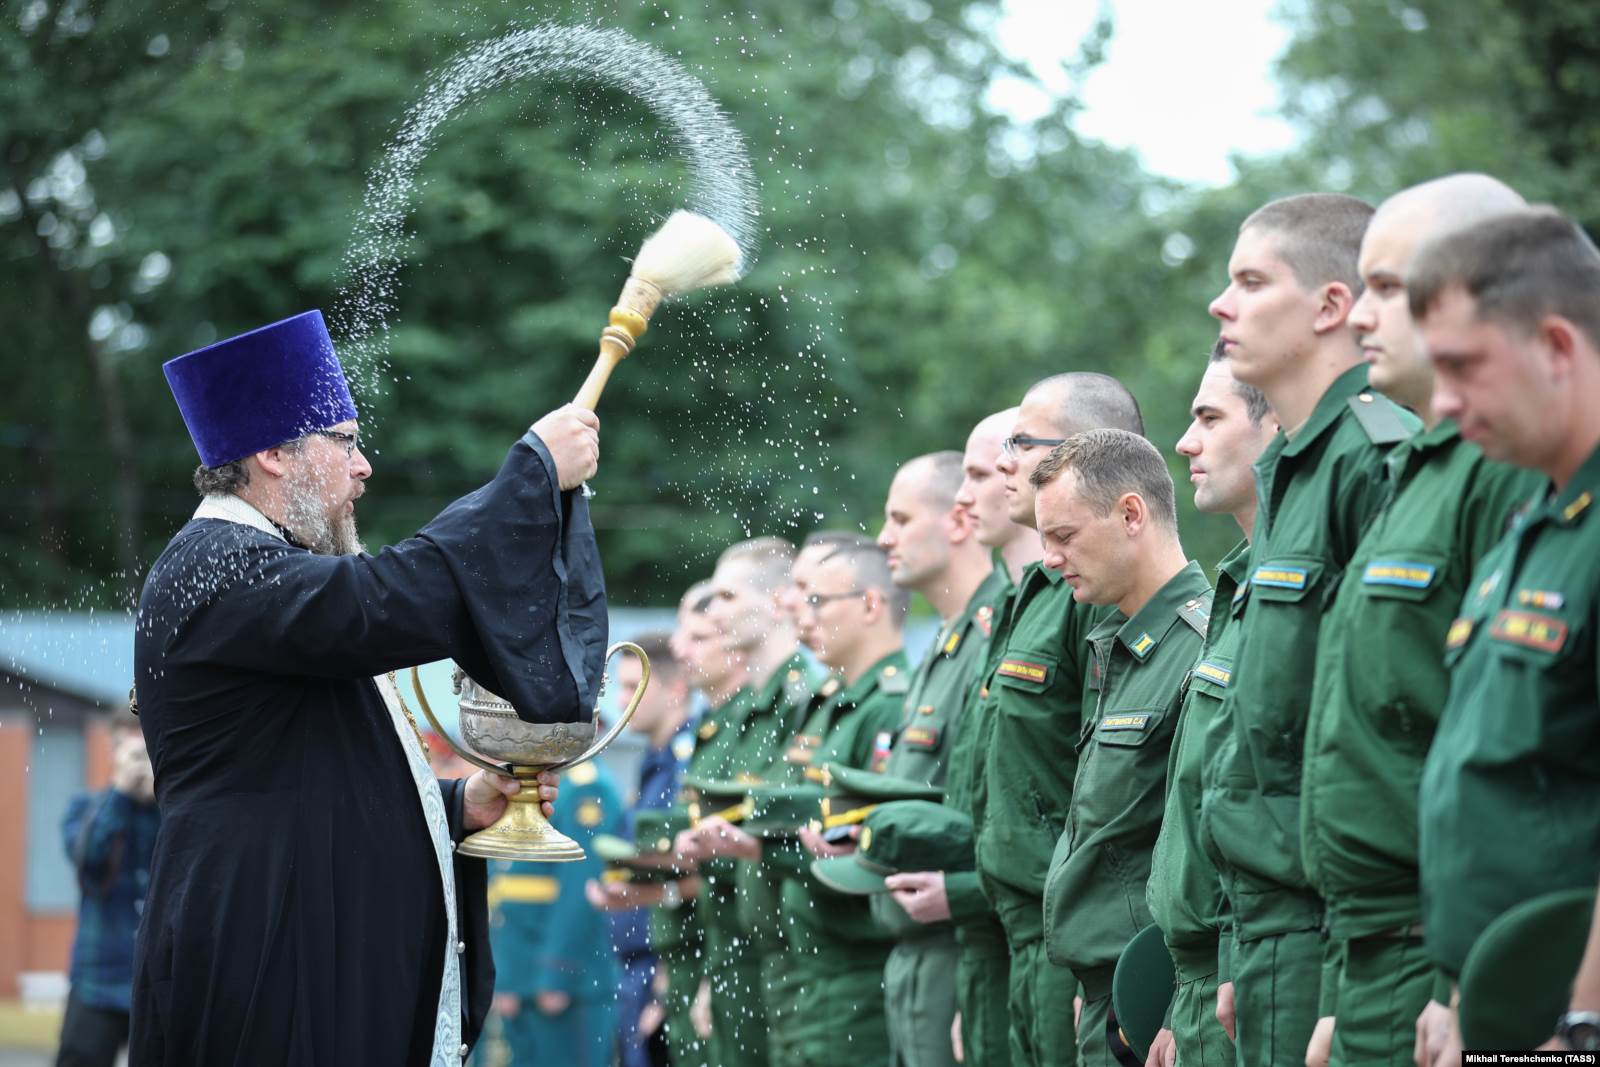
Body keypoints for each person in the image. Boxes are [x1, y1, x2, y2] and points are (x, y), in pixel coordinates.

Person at [130, 310, 589, 1065]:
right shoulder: (218, 564)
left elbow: (305, 771)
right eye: (344, 440)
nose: (365, 464)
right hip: (265, 958)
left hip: (299, 941)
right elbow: (382, 601)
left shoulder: (261, 569)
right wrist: (531, 475)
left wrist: (454, 808)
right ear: (273, 452)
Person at [1296, 174, 1538, 1067]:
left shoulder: (1506, 467)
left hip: (1444, 944)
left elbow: (1523, 752)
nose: (1362, 317)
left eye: (1389, 290)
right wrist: (1336, 984)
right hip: (1373, 946)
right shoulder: (1416, 473)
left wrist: (1469, 979)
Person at [1201, 195, 1419, 1064]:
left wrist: (1337, 979)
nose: (1222, 304)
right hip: (1266, 935)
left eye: (1251, 282)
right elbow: (1255, 747)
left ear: (1332, 306)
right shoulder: (1291, 469)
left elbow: (1382, 736)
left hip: (1341, 938)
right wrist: (1233, 944)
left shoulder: (1376, 456)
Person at [1409, 208, 1600, 1064]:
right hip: (1502, 1008)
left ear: (1557, 346)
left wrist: (1585, 1025)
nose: (1443, 402)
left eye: (1462, 367)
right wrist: (1455, 995)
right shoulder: (1535, 522)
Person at [680, 537, 910, 1067]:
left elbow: (867, 840)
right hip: (785, 956)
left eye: (813, 597)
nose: (797, 610)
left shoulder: (873, 704)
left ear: (869, 604)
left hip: (841, 962)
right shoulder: (830, 705)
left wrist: (759, 848)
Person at [971, 373, 1144, 1067]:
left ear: (1081, 454)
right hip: (1023, 928)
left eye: (1020, 442)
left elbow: (1110, 781)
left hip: (1071, 934)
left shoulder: (1091, 584)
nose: (1004, 461)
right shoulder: (1043, 587)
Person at [1035, 430, 1213, 1067]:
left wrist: (1170, 1000)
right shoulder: (1115, 645)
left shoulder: (1200, 646)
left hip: (1157, 1006)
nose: (1049, 558)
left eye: (1064, 536)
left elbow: (1209, 842)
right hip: (1107, 993)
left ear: (1131, 513)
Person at [1143, 349, 1277, 1067]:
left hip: (1254, 969)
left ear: (1276, 423)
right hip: (1201, 981)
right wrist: (1179, 991)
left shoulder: (1292, 581)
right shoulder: (1240, 583)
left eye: (1209, 418)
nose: (1185, 443)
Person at [871, 450, 1008, 1067]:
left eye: (900, 519)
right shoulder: (946, 643)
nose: (883, 538)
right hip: (920, 941)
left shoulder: (998, 631)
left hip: (969, 940)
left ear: (956, 521)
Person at [483, 760, 626, 1067]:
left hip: (567, 984)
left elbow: (581, 889)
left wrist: (559, 972)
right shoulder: (530, 782)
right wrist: (506, 975)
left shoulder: (586, 787)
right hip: (522, 975)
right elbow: (507, 886)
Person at [606, 632, 697, 1067]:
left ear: (675, 688)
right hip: (637, 965)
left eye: (633, 687)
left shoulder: (691, 762)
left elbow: (699, 874)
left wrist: (665, 981)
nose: (622, 701)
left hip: (670, 965)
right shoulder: (654, 763)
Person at [55, 712, 160, 1067]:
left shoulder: (176, 811)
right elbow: (89, 858)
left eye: (146, 751)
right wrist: (120, 792)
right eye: (129, 751)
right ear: (113, 750)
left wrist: (163, 790)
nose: (138, 762)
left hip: (161, 984)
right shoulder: (85, 808)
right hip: (97, 981)